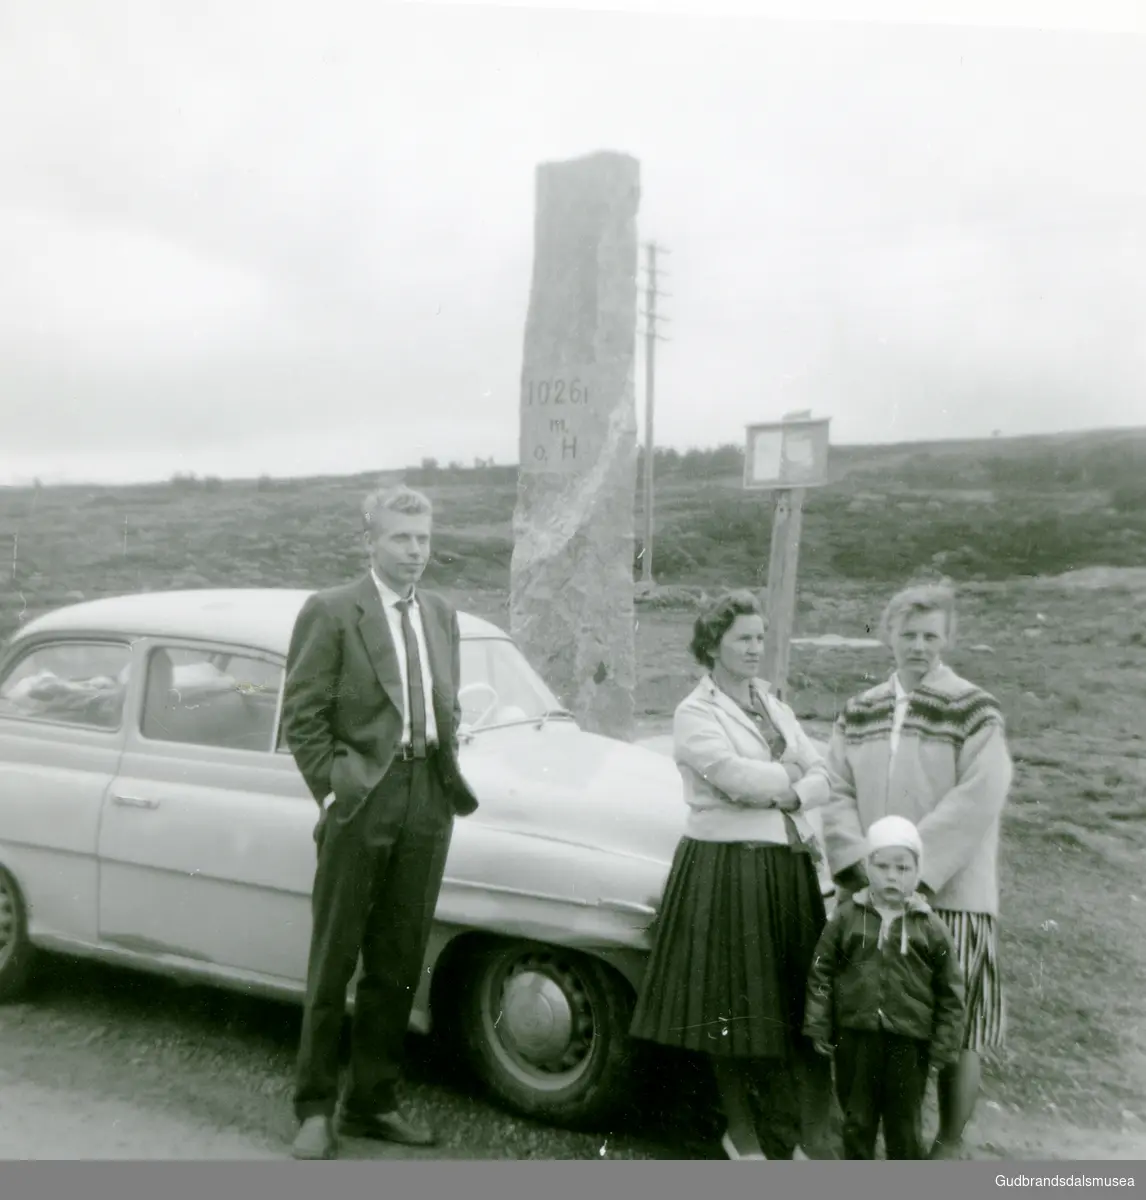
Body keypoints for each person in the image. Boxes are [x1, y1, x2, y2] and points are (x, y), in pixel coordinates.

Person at [280, 485, 480, 1161]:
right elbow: (301, 719)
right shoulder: (334, 612)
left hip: (428, 798)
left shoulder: (443, 614)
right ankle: (314, 1106)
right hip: (362, 800)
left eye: (423, 538)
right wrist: (336, 795)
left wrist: (449, 745)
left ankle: (372, 1101)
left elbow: (439, 702)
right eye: (401, 538)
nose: (416, 551)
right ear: (370, 541)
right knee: (334, 958)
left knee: (397, 963)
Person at [629, 590, 834, 1161]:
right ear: (713, 644)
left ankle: (792, 1133)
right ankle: (741, 1134)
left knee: (788, 1008)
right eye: (743, 638)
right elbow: (734, 780)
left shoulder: (771, 702)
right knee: (729, 1009)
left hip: (783, 866)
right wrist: (792, 782)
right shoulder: (694, 712)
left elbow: (824, 772)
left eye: (760, 638)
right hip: (725, 867)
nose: (754, 648)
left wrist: (789, 783)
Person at [814, 580, 1013, 1159]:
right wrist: (861, 866)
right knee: (875, 1017)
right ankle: (867, 1138)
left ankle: (948, 1143)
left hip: (951, 894)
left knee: (959, 1021)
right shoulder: (861, 710)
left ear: (948, 639)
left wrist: (913, 870)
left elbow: (981, 793)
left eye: (931, 635)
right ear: (889, 638)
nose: (919, 647)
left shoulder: (974, 709)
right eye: (908, 635)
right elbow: (837, 789)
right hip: (874, 896)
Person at [804, 815, 966, 1159]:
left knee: (903, 1125)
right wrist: (818, 1022)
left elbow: (950, 990)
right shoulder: (847, 918)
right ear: (867, 866)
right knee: (857, 1121)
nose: (892, 876)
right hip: (854, 1036)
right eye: (883, 866)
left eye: (903, 868)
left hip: (910, 1043)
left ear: (917, 870)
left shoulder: (930, 927)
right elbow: (822, 971)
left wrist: (944, 1044)